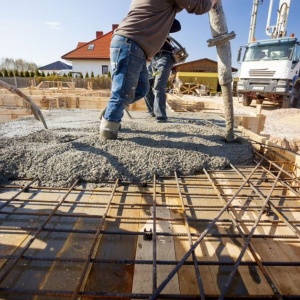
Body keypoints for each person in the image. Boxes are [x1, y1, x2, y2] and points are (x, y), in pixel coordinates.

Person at [100, 0, 219, 140]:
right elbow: (198, 6)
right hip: (131, 43)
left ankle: (111, 111)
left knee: (142, 88)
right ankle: (108, 132)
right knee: (124, 92)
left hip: (134, 46)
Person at [144, 19, 182, 123]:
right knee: (145, 85)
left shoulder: (164, 23)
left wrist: (166, 16)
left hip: (165, 56)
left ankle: (161, 116)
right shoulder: (147, 26)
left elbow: (178, 26)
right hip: (154, 59)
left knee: (158, 86)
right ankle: (152, 111)